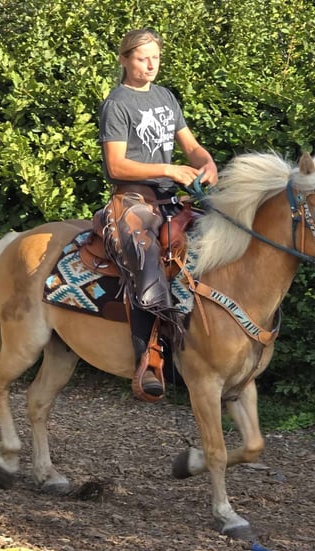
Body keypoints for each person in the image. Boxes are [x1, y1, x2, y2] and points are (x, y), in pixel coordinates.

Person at [98, 28, 218, 400]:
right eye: (141, 58)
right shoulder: (117, 103)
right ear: (124, 60)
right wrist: (170, 170)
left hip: (170, 200)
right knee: (146, 253)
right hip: (132, 199)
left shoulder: (166, 97)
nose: (150, 65)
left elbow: (191, 146)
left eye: (155, 58)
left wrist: (207, 163)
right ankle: (148, 359)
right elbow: (116, 166)